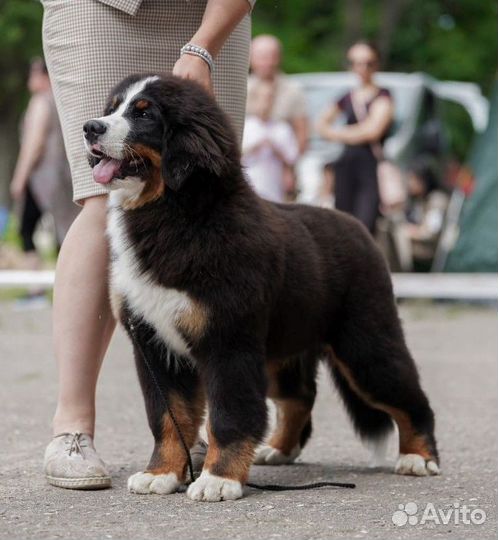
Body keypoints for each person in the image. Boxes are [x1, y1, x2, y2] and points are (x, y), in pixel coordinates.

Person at [41, 0, 255, 490]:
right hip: (99, 11)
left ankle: (194, 432)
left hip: (212, 16)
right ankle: (71, 428)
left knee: (204, 192)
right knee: (104, 195)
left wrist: (205, 45)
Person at [316, 41, 394, 234]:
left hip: (369, 168)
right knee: (343, 227)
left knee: (365, 227)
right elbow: (320, 125)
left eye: (368, 63)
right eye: (355, 63)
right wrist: (355, 133)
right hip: (345, 166)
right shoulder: (347, 97)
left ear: (376, 64)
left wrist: (338, 134)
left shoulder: (383, 96)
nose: (362, 68)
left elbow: (373, 131)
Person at [10, 58, 77, 270]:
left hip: (41, 177)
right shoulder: (63, 100)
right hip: (65, 176)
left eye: (33, 73)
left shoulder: (40, 101)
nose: (30, 78)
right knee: (65, 230)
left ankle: (36, 289)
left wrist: (19, 178)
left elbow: (34, 143)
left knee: (26, 229)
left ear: (43, 75)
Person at [247, 34, 308, 197]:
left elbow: (301, 133)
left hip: (280, 170)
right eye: (261, 57)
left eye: (270, 56)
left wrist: (290, 169)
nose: (266, 62)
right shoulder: (242, 87)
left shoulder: (292, 90)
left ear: (278, 58)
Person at [242, 81, 299, 202]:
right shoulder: (245, 127)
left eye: (269, 98)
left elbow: (292, 158)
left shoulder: (282, 128)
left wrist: (276, 149)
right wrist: (255, 147)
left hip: (274, 187)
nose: (266, 103)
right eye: (262, 98)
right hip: (250, 184)